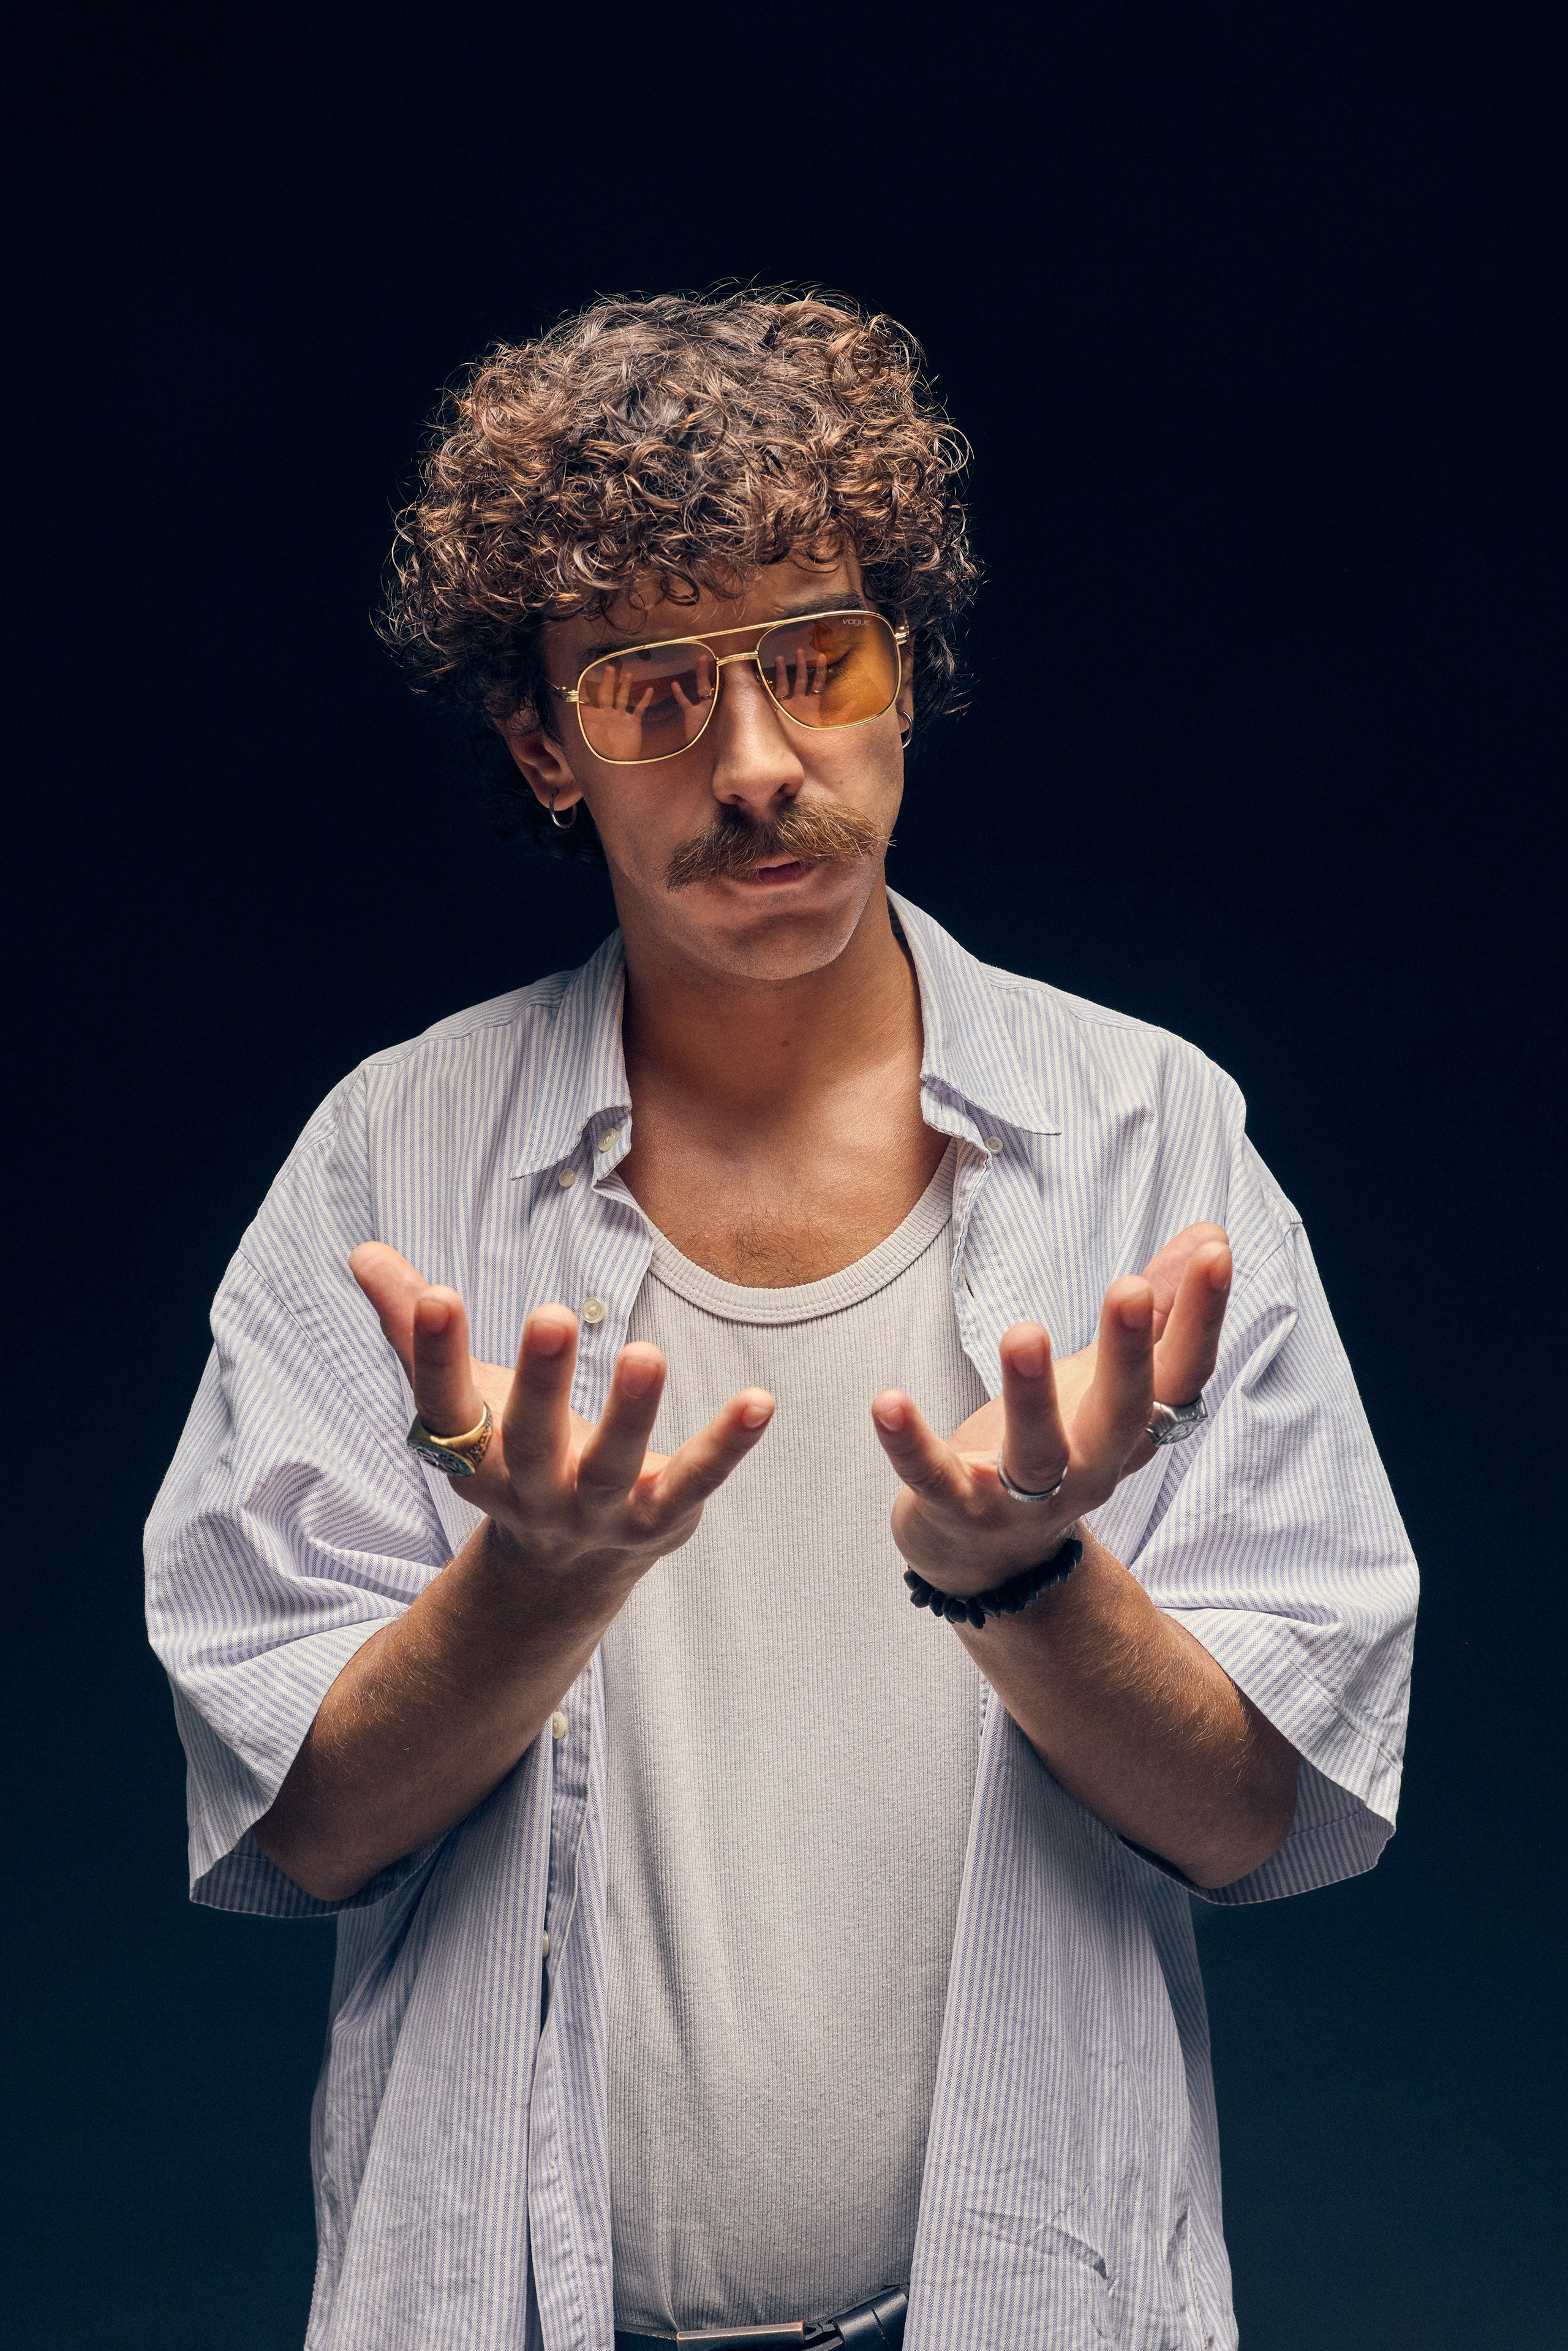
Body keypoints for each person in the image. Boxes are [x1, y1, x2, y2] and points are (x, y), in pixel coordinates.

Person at [145, 290, 1418, 2351]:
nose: (758, 768)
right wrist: (536, 1580)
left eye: (815, 663)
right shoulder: (393, 1162)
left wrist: (1029, 1579)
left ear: (901, 677)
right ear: (544, 748)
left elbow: (1258, 1818)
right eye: (653, 696)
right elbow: (299, 1830)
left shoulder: (1146, 1135)